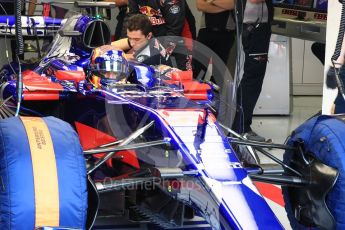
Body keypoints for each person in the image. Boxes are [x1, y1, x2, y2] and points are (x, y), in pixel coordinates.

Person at [231, 0, 273, 141]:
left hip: (255, 25)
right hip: (255, 27)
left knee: (251, 78)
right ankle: (241, 127)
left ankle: (238, 125)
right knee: (252, 79)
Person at [121, 0, 195, 70]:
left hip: (179, 41)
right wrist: (125, 53)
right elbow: (130, 23)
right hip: (153, 38)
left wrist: (154, 55)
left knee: (180, 77)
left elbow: (174, 30)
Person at [96, 14, 171, 66]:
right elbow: (105, 47)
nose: (132, 43)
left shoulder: (153, 54)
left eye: (136, 39)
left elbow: (125, 59)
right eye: (129, 38)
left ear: (149, 36)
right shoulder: (142, 39)